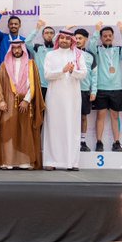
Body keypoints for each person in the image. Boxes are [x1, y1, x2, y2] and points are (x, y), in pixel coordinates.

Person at [0, 40, 45, 169]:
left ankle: (25, 161)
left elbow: (33, 85)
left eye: (19, 48)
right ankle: (8, 161)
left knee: (24, 131)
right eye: (14, 48)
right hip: (8, 102)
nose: (16, 50)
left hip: (25, 103)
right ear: (11, 49)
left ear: (23, 48)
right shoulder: (4, 65)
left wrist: (27, 100)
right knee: (8, 131)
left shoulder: (31, 64)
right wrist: (1, 101)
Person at [43, 30, 87, 171]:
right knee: (53, 127)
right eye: (62, 38)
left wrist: (72, 71)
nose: (64, 40)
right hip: (54, 97)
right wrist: (62, 70)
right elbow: (47, 75)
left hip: (72, 98)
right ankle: (51, 161)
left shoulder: (78, 55)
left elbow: (84, 74)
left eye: (67, 38)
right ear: (58, 39)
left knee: (72, 127)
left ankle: (71, 162)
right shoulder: (50, 55)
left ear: (71, 41)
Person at [88, 21, 122, 152]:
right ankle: (99, 142)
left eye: (109, 36)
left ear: (113, 37)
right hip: (101, 88)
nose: (107, 37)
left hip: (116, 89)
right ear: (101, 38)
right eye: (104, 36)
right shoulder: (97, 50)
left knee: (115, 116)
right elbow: (90, 46)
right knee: (100, 116)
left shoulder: (118, 50)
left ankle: (116, 142)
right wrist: (96, 31)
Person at [73, 28, 98, 152]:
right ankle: (71, 141)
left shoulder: (90, 56)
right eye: (76, 38)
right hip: (71, 90)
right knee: (71, 117)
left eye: (80, 38)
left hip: (84, 91)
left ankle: (82, 142)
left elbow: (94, 75)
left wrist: (93, 91)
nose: (77, 40)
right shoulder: (69, 53)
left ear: (86, 40)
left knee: (83, 117)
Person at [25, 19, 56, 99]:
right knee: (40, 107)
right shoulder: (37, 48)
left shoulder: (57, 49)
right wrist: (37, 28)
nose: (49, 35)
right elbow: (27, 42)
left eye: (51, 33)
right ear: (42, 35)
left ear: (54, 35)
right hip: (40, 85)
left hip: (54, 85)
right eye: (46, 33)